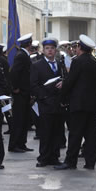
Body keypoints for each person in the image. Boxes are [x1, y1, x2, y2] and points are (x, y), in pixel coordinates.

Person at [54, 35, 96, 170]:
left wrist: (62, 95)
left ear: (80, 48)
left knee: (75, 134)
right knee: (91, 134)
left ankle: (70, 162)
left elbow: (71, 81)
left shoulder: (78, 61)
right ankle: (90, 162)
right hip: (92, 105)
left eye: (76, 48)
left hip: (79, 104)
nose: (74, 50)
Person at [30, 38, 65, 168]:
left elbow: (65, 78)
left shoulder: (59, 64)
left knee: (57, 131)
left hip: (58, 103)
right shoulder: (36, 65)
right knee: (45, 132)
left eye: (52, 48)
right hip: (45, 103)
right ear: (43, 51)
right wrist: (43, 96)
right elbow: (33, 85)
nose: (50, 51)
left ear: (55, 50)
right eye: (47, 48)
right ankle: (43, 157)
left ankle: (55, 157)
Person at [8, 33, 33, 153]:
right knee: (18, 120)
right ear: (30, 44)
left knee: (24, 120)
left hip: (25, 92)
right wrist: (15, 88)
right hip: (20, 93)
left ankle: (22, 143)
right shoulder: (21, 56)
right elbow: (14, 73)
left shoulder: (23, 55)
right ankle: (14, 145)